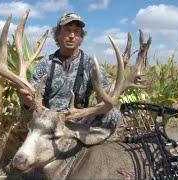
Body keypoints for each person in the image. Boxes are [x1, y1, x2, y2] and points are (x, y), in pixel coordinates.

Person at [19, 12, 123, 143]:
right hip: (50, 121)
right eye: (67, 30)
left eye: (76, 31)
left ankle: (89, 148)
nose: (72, 35)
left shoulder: (91, 64)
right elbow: (33, 98)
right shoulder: (45, 64)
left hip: (79, 122)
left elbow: (104, 95)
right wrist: (28, 102)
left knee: (114, 114)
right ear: (58, 35)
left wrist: (105, 98)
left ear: (81, 37)